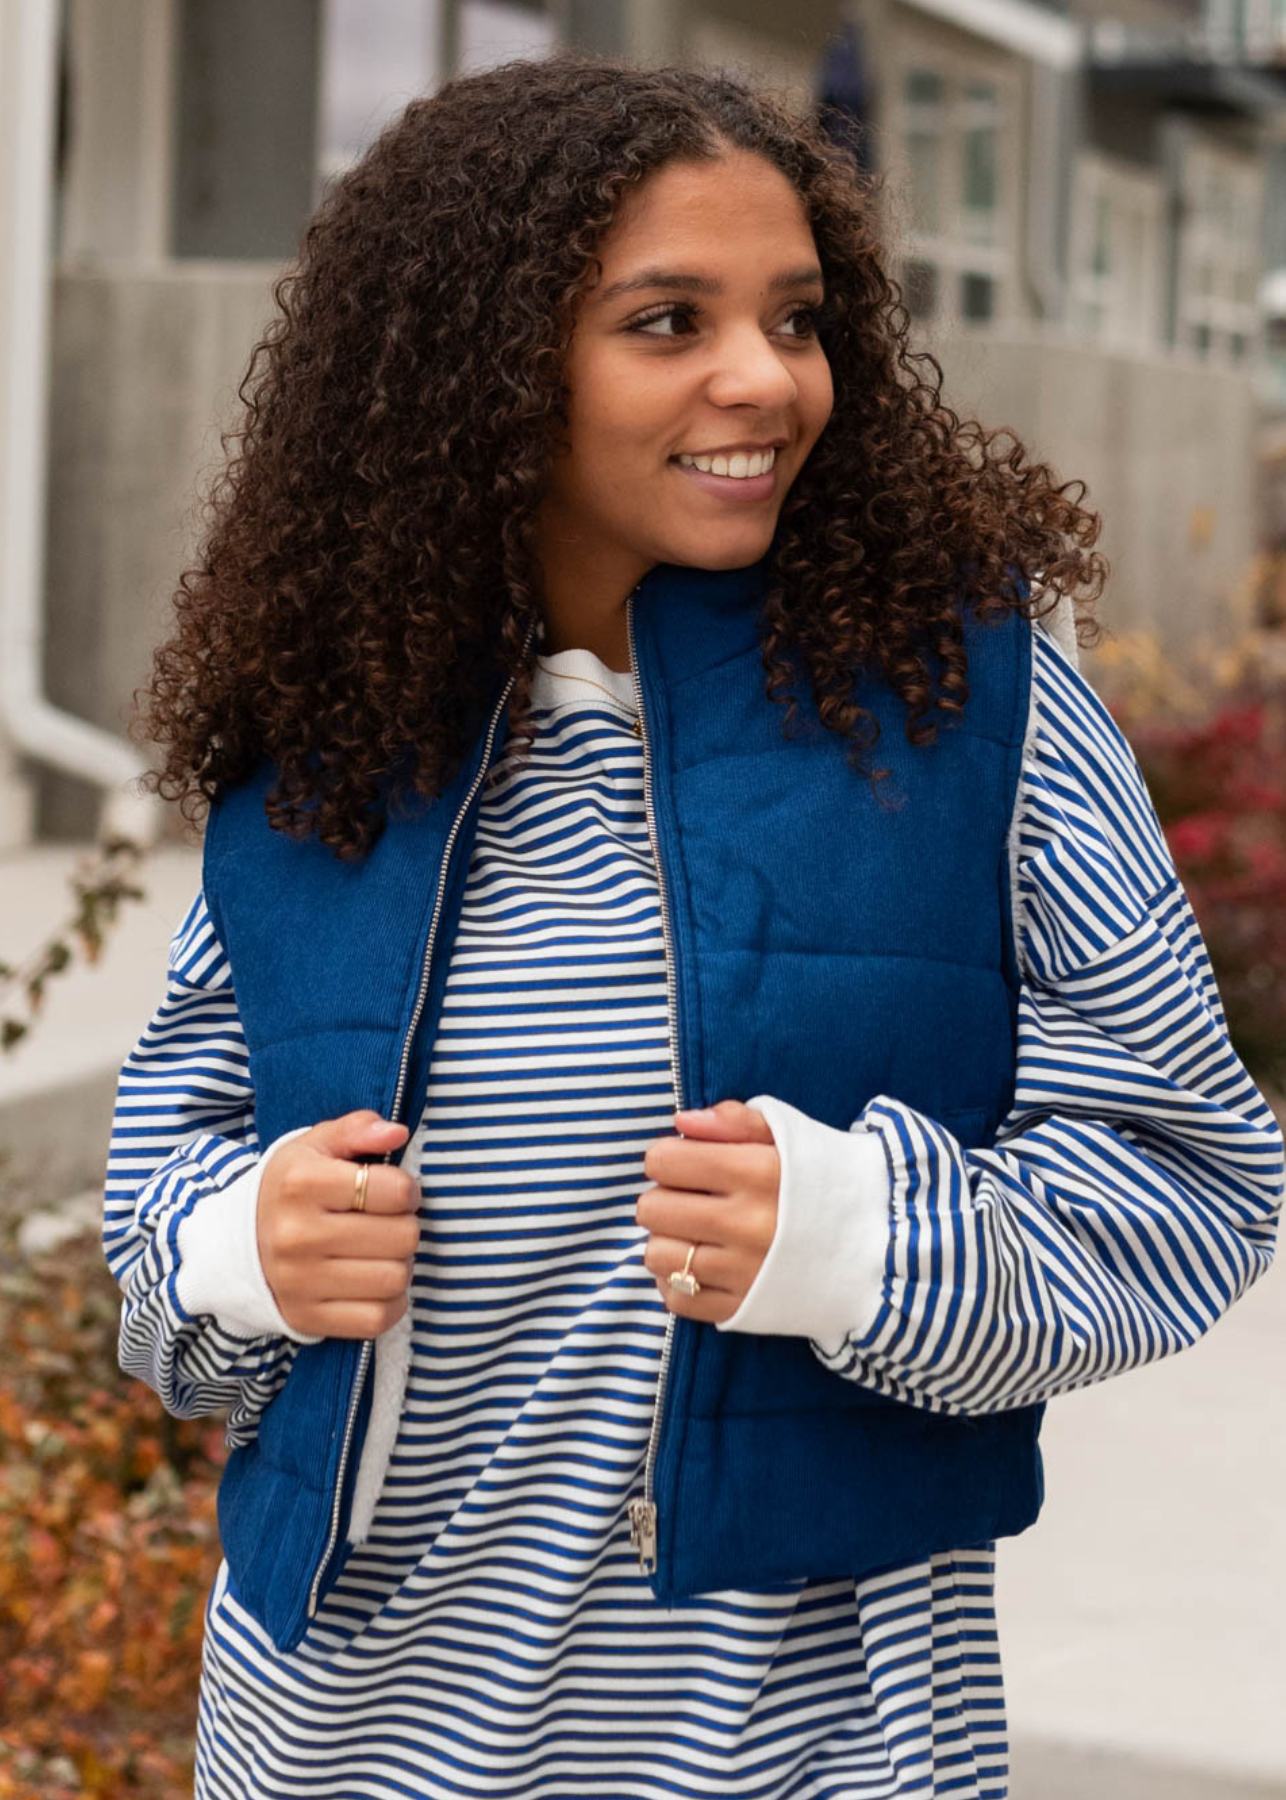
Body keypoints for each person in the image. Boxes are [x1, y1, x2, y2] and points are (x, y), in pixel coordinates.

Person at [103, 50, 1283, 1800]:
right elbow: (165, 1178)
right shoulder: (334, 749)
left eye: (795, 318)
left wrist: (872, 1235)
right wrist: (231, 1249)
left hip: (803, 1748)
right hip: (338, 1741)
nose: (764, 379)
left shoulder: (973, 717)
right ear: (480, 376)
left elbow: (1195, 1179)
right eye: (667, 321)